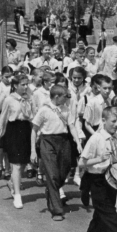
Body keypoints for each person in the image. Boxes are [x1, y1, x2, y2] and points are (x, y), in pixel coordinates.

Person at [78, 107, 117, 232]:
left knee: (100, 220)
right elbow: (81, 163)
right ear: (103, 121)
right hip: (97, 182)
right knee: (111, 219)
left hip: (111, 181)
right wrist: (99, 159)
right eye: (113, 121)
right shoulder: (96, 138)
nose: (116, 124)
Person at [31, 84, 82, 221]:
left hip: (63, 141)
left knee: (64, 171)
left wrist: (78, 142)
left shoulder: (66, 109)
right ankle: (57, 210)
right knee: (52, 175)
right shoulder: (44, 110)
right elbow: (34, 130)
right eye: (65, 97)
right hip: (47, 141)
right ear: (57, 97)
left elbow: (72, 126)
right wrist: (33, 151)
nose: (67, 99)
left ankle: (51, 189)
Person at [0, 75, 37, 209]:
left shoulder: (30, 99)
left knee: (24, 162)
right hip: (13, 130)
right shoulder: (9, 99)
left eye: (27, 84)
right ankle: (17, 195)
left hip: (26, 130)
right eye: (23, 84)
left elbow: (34, 116)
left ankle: (12, 182)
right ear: (15, 85)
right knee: (16, 165)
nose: (25, 87)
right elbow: (3, 118)